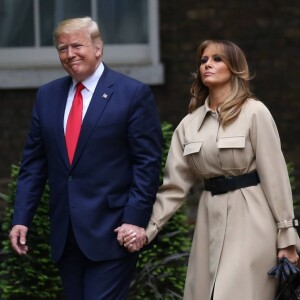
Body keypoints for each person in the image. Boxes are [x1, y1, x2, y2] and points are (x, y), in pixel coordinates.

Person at [118, 39, 300, 300]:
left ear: (235, 68)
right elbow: (173, 188)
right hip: (208, 222)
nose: (207, 65)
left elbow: (276, 177)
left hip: (253, 219)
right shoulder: (189, 125)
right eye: (203, 60)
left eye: (217, 59)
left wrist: (287, 238)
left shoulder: (255, 112)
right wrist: (146, 230)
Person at [9, 16, 162, 300]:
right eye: (62, 48)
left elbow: (147, 164)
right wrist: (21, 218)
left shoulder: (132, 94)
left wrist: (134, 220)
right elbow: (33, 165)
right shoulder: (47, 96)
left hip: (113, 231)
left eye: (77, 45)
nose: (70, 54)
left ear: (98, 48)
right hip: (66, 237)